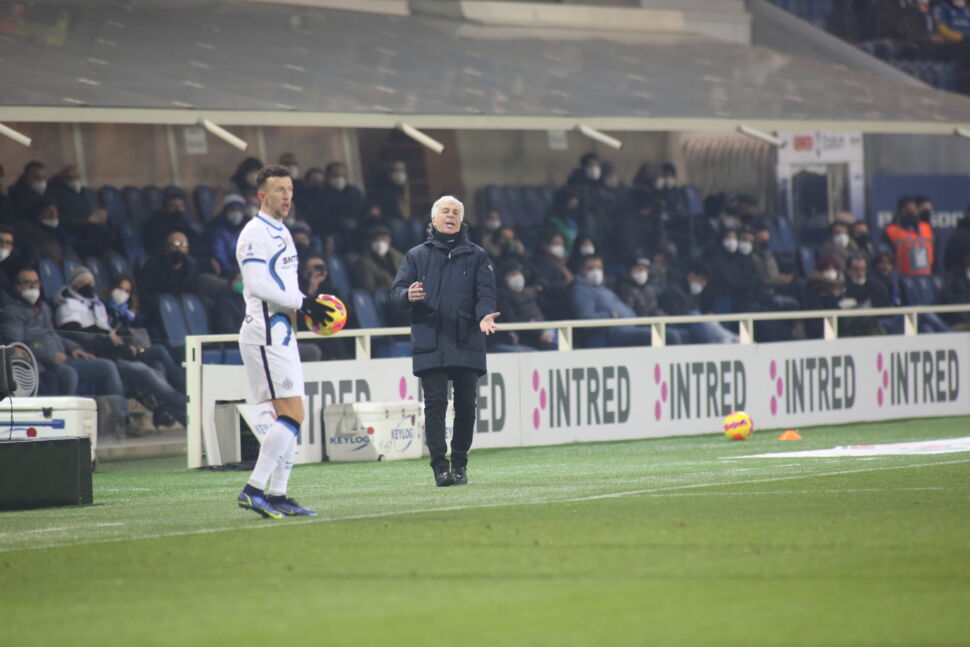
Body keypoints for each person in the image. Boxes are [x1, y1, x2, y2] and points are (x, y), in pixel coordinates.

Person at [235, 165, 335, 519]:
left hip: (283, 333)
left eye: (290, 189)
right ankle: (252, 489)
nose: (287, 196)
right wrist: (305, 303)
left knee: (293, 414)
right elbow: (258, 286)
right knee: (291, 415)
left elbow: (283, 286)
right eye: (279, 190)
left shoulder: (282, 231)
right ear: (262, 196)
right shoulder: (253, 234)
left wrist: (303, 312)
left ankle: (277, 495)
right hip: (264, 334)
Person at [390, 195, 499, 487]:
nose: (450, 216)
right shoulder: (415, 256)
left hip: (467, 339)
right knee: (435, 405)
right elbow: (396, 293)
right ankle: (440, 466)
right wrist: (407, 296)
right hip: (431, 339)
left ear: (461, 221)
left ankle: (460, 464)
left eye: (455, 212)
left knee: (466, 406)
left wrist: (485, 315)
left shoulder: (478, 256)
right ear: (434, 219)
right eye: (445, 211)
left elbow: (485, 294)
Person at [54, 267, 187, 428]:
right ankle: (184, 403)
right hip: (103, 356)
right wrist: (109, 340)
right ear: (74, 285)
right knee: (148, 372)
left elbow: (115, 329)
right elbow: (78, 336)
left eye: (91, 282)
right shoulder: (67, 306)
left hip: (118, 352)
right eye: (83, 282)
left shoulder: (96, 304)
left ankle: (183, 416)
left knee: (157, 367)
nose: (88, 286)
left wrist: (126, 343)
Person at [0, 267, 128, 423]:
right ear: (17, 287)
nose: (34, 287)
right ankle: (67, 421)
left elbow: (54, 335)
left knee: (107, 367)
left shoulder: (43, 307)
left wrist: (74, 348)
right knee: (68, 374)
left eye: (36, 283)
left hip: (64, 357)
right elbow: (17, 346)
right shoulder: (11, 312)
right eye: (28, 283)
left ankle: (121, 419)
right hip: (42, 364)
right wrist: (50, 356)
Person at [570, 254, 652, 347]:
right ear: (581, 269)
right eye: (591, 268)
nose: (596, 272)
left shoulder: (603, 288)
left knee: (664, 333)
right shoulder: (581, 290)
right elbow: (586, 319)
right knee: (656, 336)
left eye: (599, 268)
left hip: (630, 328)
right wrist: (609, 315)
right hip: (610, 335)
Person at [884, 196, 934, 276]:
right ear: (901, 212)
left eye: (914, 210)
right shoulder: (891, 231)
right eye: (908, 211)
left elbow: (935, 254)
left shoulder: (926, 228)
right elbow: (887, 258)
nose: (912, 213)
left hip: (927, 278)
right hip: (902, 279)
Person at [205, 194, 249, 278]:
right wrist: (232, 273)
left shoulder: (248, 229)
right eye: (233, 209)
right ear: (225, 211)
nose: (236, 213)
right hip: (227, 274)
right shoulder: (217, 230)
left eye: (239, 210)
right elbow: (219, 255)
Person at [350, 225, 404, 292]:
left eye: (384, 239)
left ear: (389, 240)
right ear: (369, 242)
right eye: (376, 239)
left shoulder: (398, 256)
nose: (380, 243)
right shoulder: (364, 262)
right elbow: (368, 287)